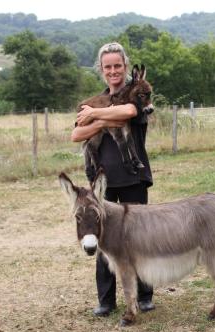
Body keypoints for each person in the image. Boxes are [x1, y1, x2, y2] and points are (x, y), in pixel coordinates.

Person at [71, 42, 155, 317]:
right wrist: (99, 118)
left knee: (139, 237)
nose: (113, 71)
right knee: (101, 238)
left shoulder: (137, 97)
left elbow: (128, 114)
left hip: (133, 177)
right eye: (108, 66)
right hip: (101, 183)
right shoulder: (96, 101)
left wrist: (93, 114)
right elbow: (76, 135)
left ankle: (145, 295)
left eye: (118, 65)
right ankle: (106, 300)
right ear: (102, 70)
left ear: (126, 67)